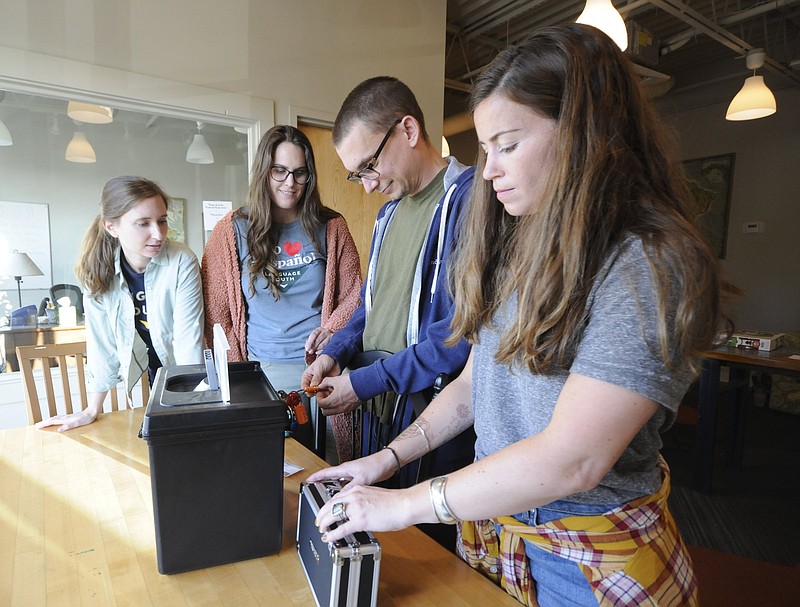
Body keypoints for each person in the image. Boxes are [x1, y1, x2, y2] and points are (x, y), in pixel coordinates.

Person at [309, 24, 735, 607]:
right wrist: (386, 461)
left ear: (587, 133)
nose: (489, 170)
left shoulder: (648, 264)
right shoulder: (520, 244)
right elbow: (474, 384)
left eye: (507, 145)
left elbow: (574, 459)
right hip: (503, 538)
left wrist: (405, 504)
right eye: (485, 150)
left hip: (586, 561)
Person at [301, 77, 476, 490]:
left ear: (409, 130)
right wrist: (335, 352)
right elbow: (370, 305)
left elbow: (456, 338)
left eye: (369, 166)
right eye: (356, 175)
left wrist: (362, 383)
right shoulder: (388, 216)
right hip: (384, 414)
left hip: (436, 422)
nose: (367, 185)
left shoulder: (470, 203)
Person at [201, 125, 362, 459]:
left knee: (327, 468)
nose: (290, 183)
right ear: (264, 171)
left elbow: (355, 296)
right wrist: (237, 371)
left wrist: (331, 330)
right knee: (265, 471)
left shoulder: (332, 226)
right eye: (280, 171)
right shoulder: (231, 231)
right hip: (259, 375)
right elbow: (215, 314)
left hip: (320, 371)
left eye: (300, 173)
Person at [36, 176, 204, 432]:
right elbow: (102, 344)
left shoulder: (181, 261)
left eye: (161, 221)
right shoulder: (97, 271)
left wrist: (196, 404)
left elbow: (186, 339)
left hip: (179, 364)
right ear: (111, 227)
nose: (158, 234)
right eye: (143, 224)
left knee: (185, 427)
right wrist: (93, 409)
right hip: (146, 361)